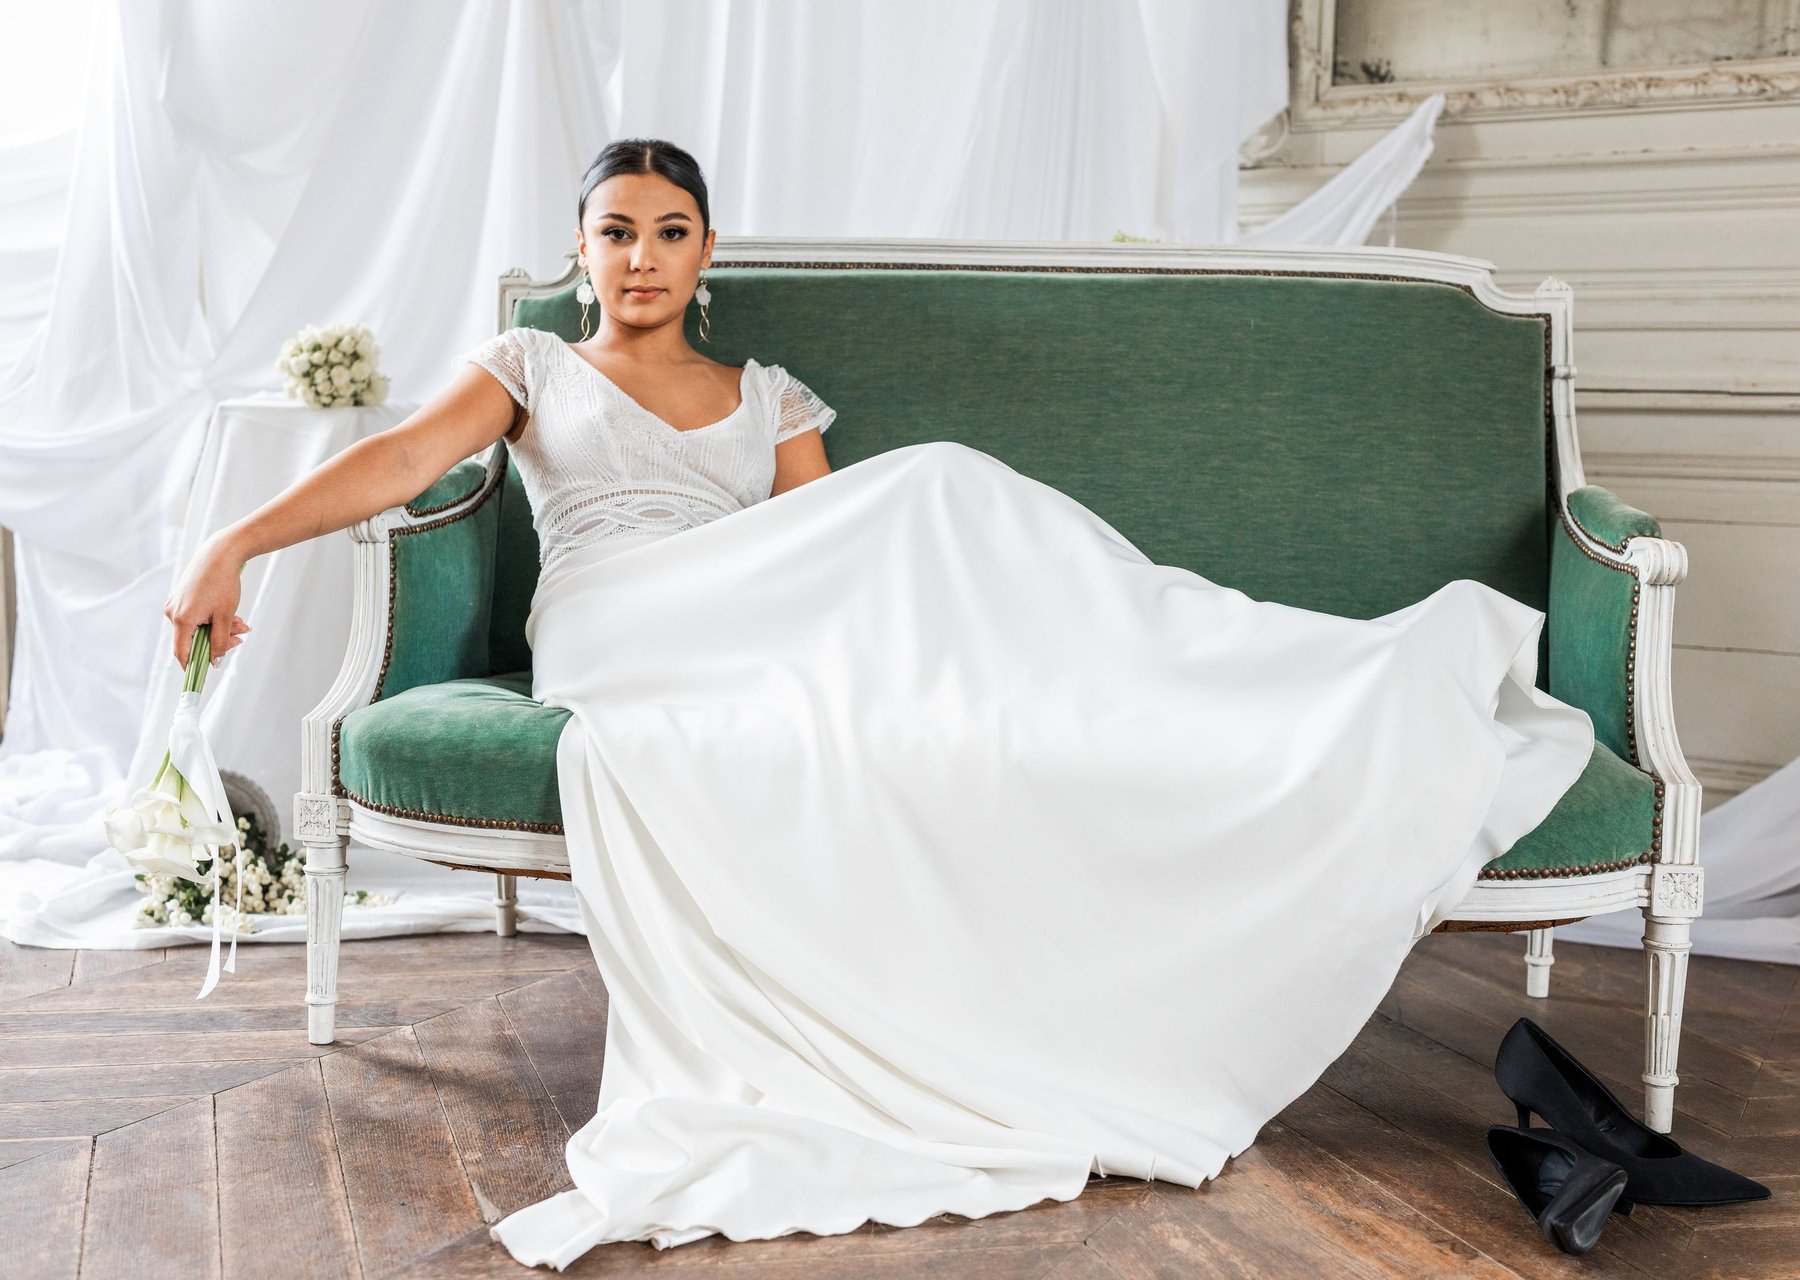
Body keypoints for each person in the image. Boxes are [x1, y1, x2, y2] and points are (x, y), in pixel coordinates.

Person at [164, 138, 1595, 1271]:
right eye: (616, 231)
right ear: (582, 252)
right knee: (936, 484)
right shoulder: (532, 367)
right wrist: (234, 542)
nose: (643, 256)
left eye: (671, 231)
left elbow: (840, 559)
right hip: (622, 624)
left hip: (764, 613)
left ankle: (1254, 675)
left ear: (707, 251)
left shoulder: (761, 393)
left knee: (938, 488)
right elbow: (404, 461)